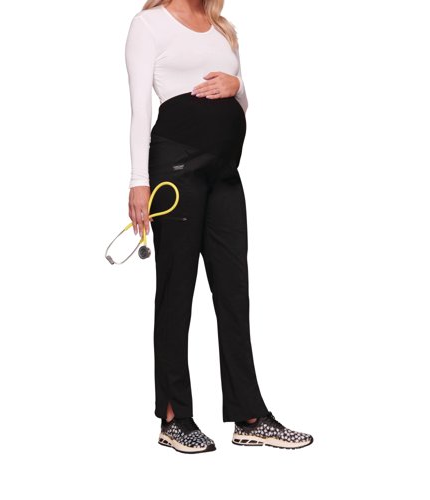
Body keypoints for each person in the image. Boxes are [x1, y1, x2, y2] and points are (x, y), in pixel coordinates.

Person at [124, 0, 313, 453]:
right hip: (175, 169)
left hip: (225, 174)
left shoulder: (221, 28)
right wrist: (138, 182)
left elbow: (242, 104)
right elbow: (138, 110)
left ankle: (249, 416)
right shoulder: (148, 25)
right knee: (177, 291)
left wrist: (237, 85)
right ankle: (175, 418)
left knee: (233, 292)